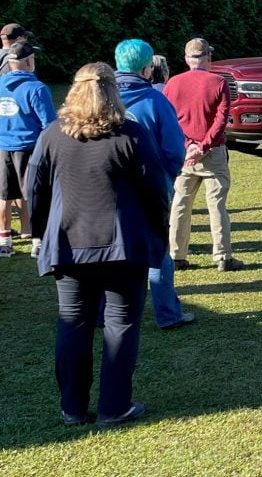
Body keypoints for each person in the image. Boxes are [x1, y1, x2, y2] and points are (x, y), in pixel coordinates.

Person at [27, 62, 169, 426]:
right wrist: (159, 231)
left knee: (72, 322)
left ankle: (72, 407)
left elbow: (36, 192)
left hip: (69, 244)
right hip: (122, 246)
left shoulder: (52, 135)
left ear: (74, 91)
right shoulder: (131, 135)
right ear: (113, 92)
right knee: (120, 323)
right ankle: (114, 405)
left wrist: (42, 232)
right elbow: (155, 190)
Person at [114, 39, 194, 329]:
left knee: (109, 246)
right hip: (152, 185)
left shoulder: (99, 99)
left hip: (108, 184)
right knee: (157, 249)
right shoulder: (157, 101)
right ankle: (168, 314)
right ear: (148, 69)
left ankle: (103, 312)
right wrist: (168, 178)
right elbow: (174, 149)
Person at [163, 38, 243, 271]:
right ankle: (222, 256)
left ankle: (176, 255)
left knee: (180, 203)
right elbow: (221, 119)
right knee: (217, 204)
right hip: (213, 152)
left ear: (187, 59)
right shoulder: (219, 82)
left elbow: (170, 120)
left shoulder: (173, 84)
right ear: (209, 58)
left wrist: (189, 145)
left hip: (185, 153)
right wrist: (205, 145)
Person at [0, 40, 56, 258]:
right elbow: (49, 124)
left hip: (3, 146)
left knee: (4, 196)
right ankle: (38, 241)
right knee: (35, 194)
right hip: (30, 148)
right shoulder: (37, 88)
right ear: (29, 61)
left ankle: (4, 241)